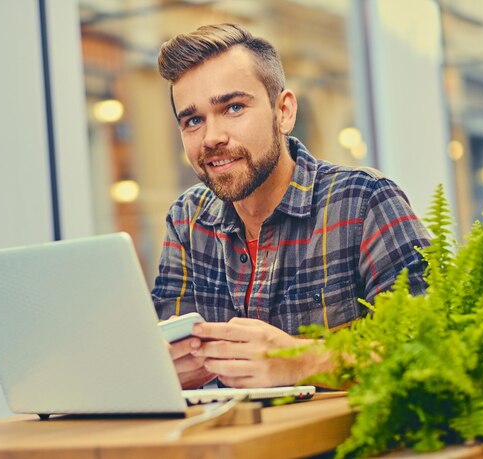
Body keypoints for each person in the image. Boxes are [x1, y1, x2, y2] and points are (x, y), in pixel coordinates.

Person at [152, 23, 430, 390]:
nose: (212, 137)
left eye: (233, 107)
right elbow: (162, 359)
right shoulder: (186, 220)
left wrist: (301, 362)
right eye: (193, 120)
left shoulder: (364, 200)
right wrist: (161, 371)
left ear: (283, 111)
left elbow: (432, 352)